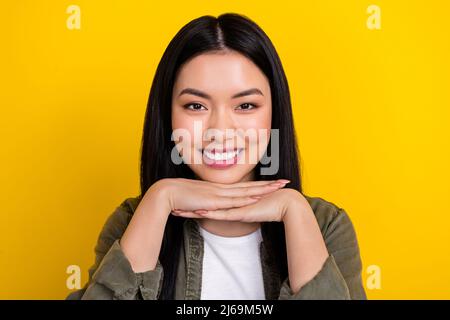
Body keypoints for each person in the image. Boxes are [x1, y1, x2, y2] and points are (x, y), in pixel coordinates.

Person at [66, 13, 366, 300]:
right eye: (196, 106)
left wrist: (294, 209)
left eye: (246, 106)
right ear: (168, 116)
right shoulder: (132, 221)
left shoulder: (325, 226)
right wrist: (160, 198)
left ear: (274, 114)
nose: (220, 131)